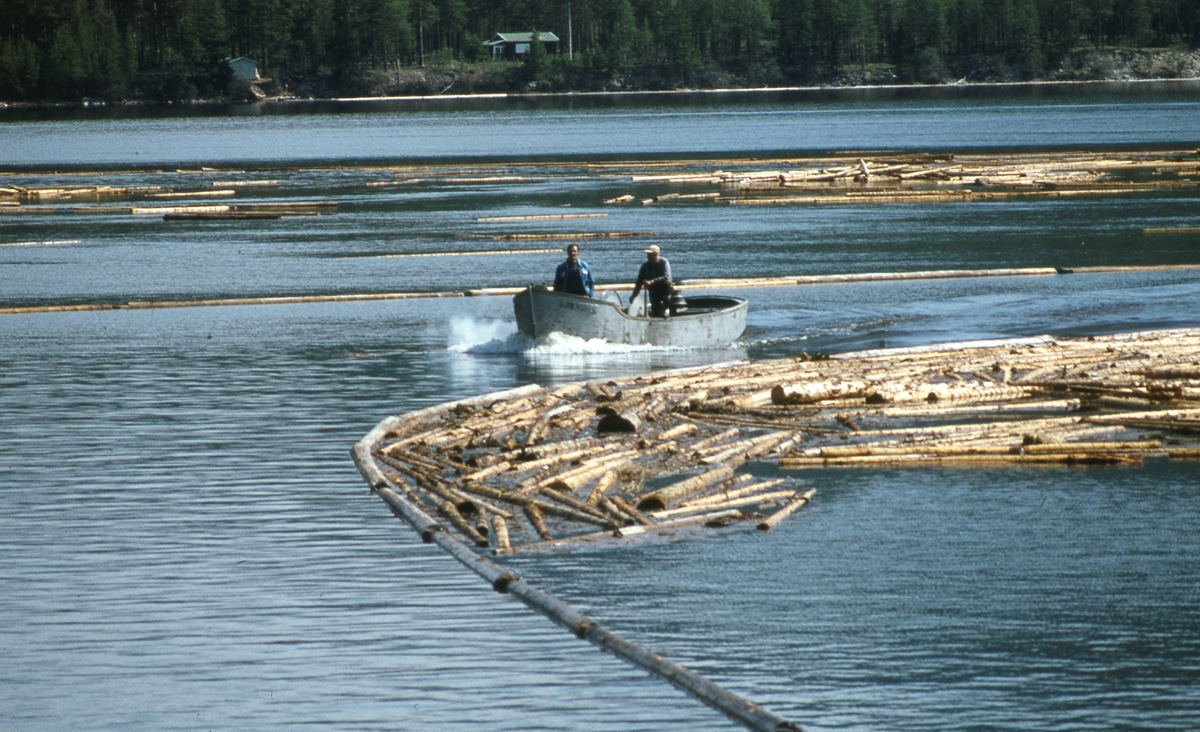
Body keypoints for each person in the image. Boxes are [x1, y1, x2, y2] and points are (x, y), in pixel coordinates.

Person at [628, 244, 673, 317]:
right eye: (647, 254)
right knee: (656, 311)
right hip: (653, 291)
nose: (647, 256)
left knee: (666, 283)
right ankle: (656, 313)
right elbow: (639, 282)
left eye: (649, 254)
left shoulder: (664, 262)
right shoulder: (645, 266)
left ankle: (666, 309)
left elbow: (666, 277)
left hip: (664, 289)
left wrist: (652, 282)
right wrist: (633, 296)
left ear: (655, 254)